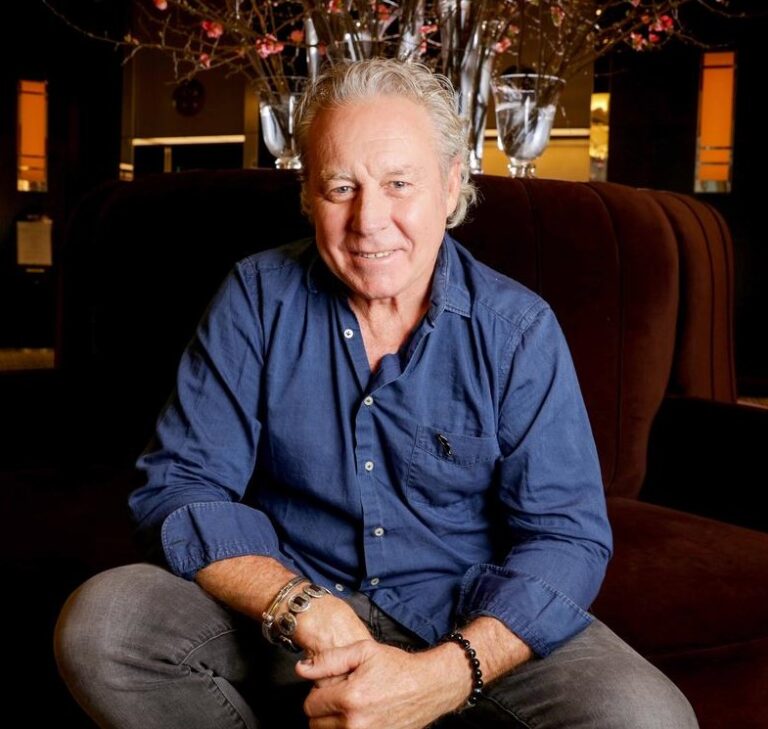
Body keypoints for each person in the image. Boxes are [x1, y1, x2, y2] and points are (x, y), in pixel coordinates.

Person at [55, 59, 698, 729]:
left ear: (451, 185)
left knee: (648, 717)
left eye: (399, 184)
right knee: (105, 624)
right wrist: (298, 604)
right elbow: (181, 484)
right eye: (341, 187)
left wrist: (445, 675)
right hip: (292, 613)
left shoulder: (517, 329)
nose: (369, 220)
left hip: (463, 620)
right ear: (310, 195)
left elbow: (566, 536)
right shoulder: (256, 297)